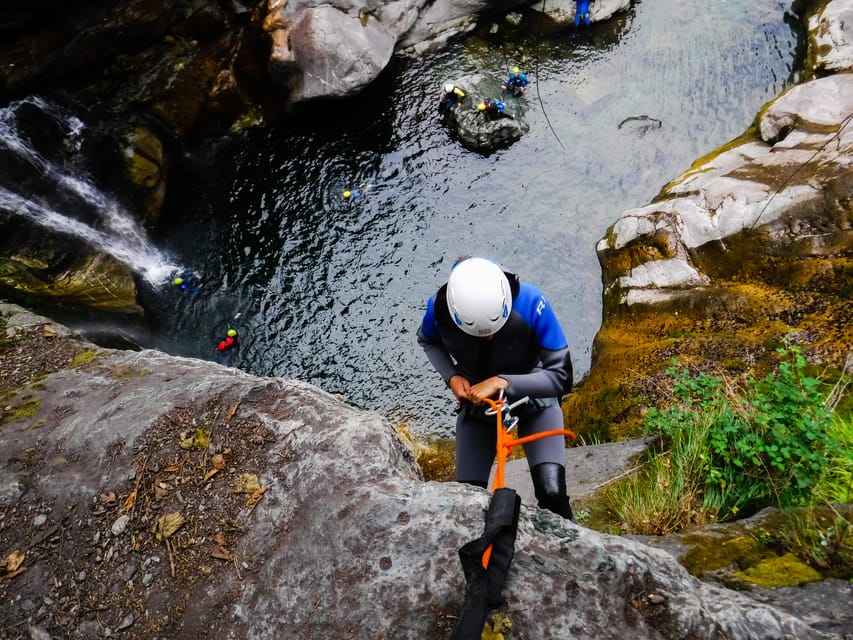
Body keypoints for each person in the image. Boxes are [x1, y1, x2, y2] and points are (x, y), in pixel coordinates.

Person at [417, 257, 575, 521]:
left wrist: (503, 382)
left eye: (494, 329)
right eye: (479, 333)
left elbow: (561, 377)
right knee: (466, 499)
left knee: (552, 492)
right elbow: (427, 340)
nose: (489, 337)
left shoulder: (531, 302)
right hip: (480, 405)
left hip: (535, 399)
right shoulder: (439, 309)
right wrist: (452, 377)